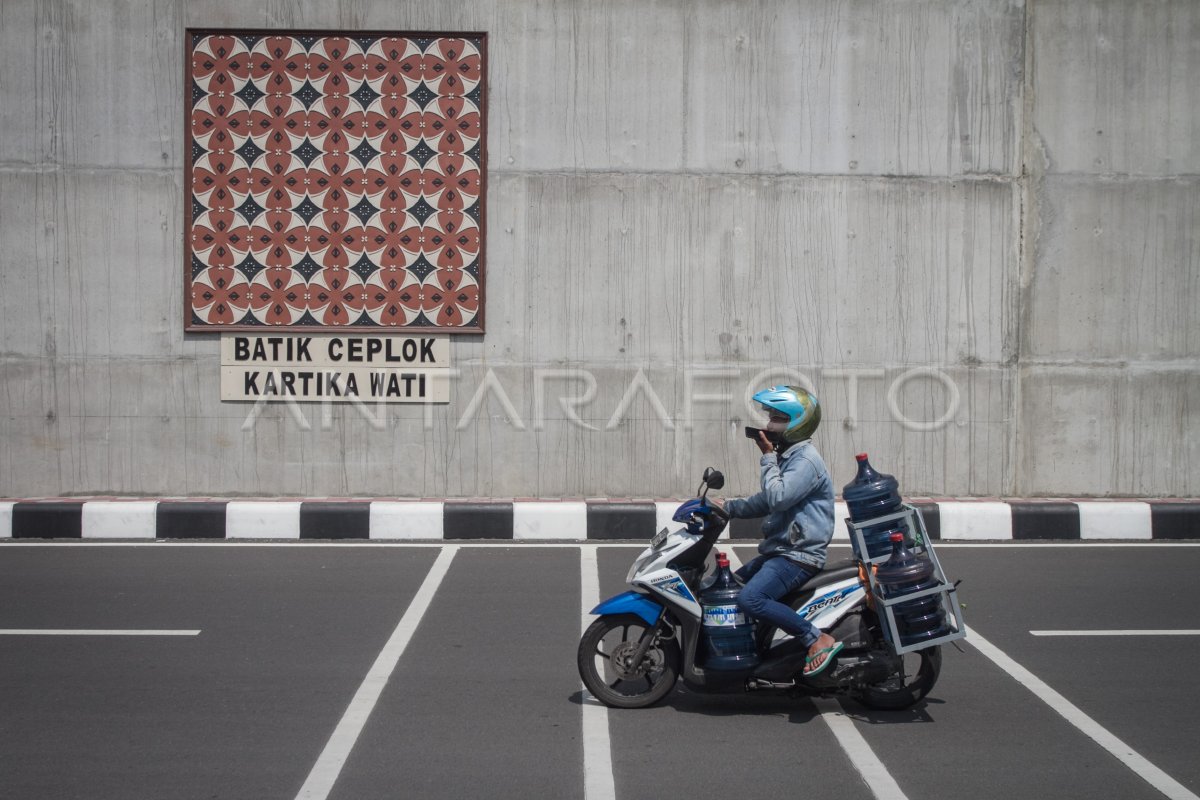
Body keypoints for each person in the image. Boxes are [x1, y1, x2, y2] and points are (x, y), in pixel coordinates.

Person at [719, 385, 841, 677]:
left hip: (798, 556)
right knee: (727, 586)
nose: (768, 425)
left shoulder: (806, 461)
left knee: (751, 599)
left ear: (797, 422)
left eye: (777, 418)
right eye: (770, 417)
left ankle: (816, 637)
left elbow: (778, 497)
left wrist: (767, 457)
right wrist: (727, 507)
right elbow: (766, 500)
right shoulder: (791, 458)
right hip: (779, 552)